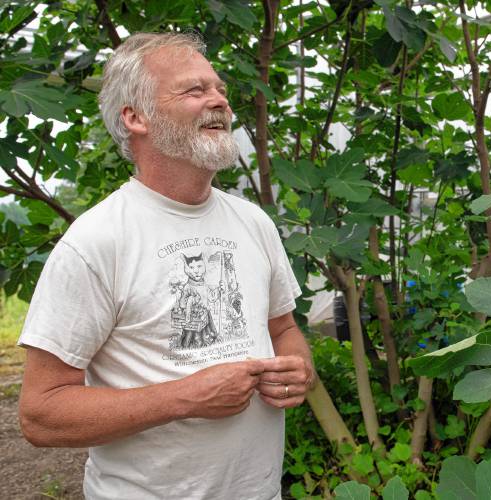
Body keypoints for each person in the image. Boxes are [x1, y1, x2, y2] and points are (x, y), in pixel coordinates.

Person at [17, 32, 314, 500]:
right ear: (135, 118)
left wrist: (297, 369)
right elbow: (41, 414)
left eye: (219, 90)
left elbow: (283, 329)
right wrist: (185, 398)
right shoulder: (97, 241)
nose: (219, 102)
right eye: (194, 91)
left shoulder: (253, 222)